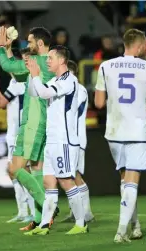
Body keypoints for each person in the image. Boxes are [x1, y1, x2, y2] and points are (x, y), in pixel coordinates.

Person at [0, 26, 58, 231]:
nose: (27, 45)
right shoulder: (47, 64)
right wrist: (9, 49)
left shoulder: (38, 61)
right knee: (36, 171)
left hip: (32, 123)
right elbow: (17, 74)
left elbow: (8, 65)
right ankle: (39, 220)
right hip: (44, 122)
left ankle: (48, 206)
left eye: (31, 42)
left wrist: (0, 48)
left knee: (14, 169)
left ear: (40, 44)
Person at [94, 28, 146, 243]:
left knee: (125, 180)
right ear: (140, 46)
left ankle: (135, 224)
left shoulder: (105, 66)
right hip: (137, 130)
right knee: (132, 180)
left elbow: (99, 103)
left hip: (114, 131)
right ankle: (121, 231)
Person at [22, 45, 89, 236]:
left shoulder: (69, 80)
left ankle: (81, 223)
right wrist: (31, 74)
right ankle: (44, 225)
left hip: (64, 140)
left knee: (66, 181)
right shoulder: (54, 79)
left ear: (61, 60)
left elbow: (43, 93)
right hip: (52, 140)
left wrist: (36, 75)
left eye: (51, 58)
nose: (47, 61)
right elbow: (35, 93)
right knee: (48, 182)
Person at [0, 47, 35, 223]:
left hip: (21, 133)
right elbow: (1, 102)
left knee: (23, 172)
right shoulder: (15, 82)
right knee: (14, 172)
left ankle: (33, 211)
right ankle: (23, 211)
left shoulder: (22, 82)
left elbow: (1, 102)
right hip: (14, 133)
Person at [60, 60, 94, 224]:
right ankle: (77, 211)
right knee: (70, 175)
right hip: (69, 138)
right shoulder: (70, 89)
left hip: (77, 139)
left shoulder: (79, 90)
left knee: (76, 175)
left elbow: (72, 113)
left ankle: (86, 213)